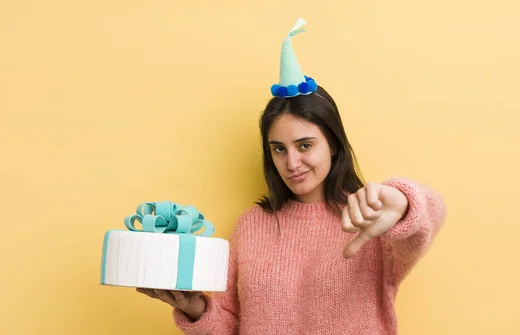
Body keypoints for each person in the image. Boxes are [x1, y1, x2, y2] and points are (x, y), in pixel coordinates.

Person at [137, 18, 447, 334]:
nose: (292, 162)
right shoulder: (251, 225)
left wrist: (403, 202)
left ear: (334, 145)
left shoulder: (372, 218)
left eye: (305, 145)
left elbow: (432, 213)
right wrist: (195, 309)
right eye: (279, 149)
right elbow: (231, 325)